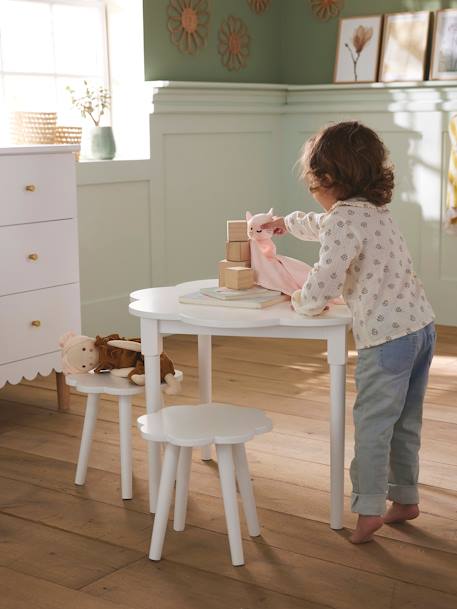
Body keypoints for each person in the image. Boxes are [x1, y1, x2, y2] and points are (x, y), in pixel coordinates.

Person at [262, 121, 436, 543]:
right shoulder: (372, 212)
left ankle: (369, 508)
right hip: (421, 329)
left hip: (386, 339)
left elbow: (326, 274)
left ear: (326, 180)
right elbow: (325, 227)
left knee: (374, 424)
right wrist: (287, 222)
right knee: (405, 421)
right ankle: (406, 498)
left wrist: (302, 301)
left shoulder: (342, 221)